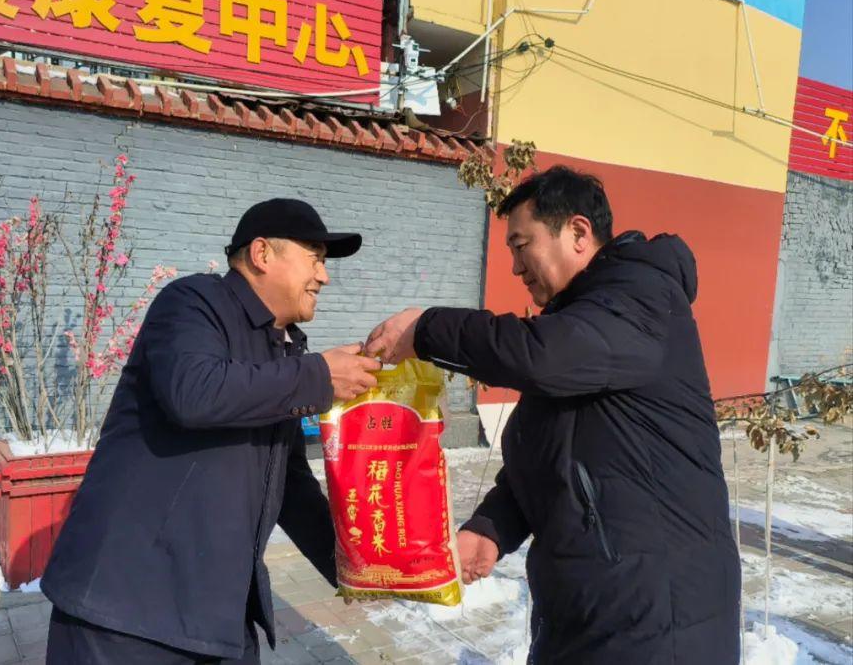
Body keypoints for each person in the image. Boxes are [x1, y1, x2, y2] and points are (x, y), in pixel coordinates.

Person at [365, 166, 740, 664]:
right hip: (593, 606)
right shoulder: (582, 324)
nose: (516, 268)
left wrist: (427, 328)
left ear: (579, 233)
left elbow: (540, 357)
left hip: (658, 618)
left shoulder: (640, 297)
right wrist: (491, 528)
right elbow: (555, 457)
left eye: (522, 246)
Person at [42, 198, 381, 664]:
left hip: (214, 617)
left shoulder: (283, 352)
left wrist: (351, 568)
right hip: (124, 613)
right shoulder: (192, 302)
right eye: (315, 259)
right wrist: (319, 376)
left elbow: (289, 485)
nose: (323, 276)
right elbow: (193, 391)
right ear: (262, 254)